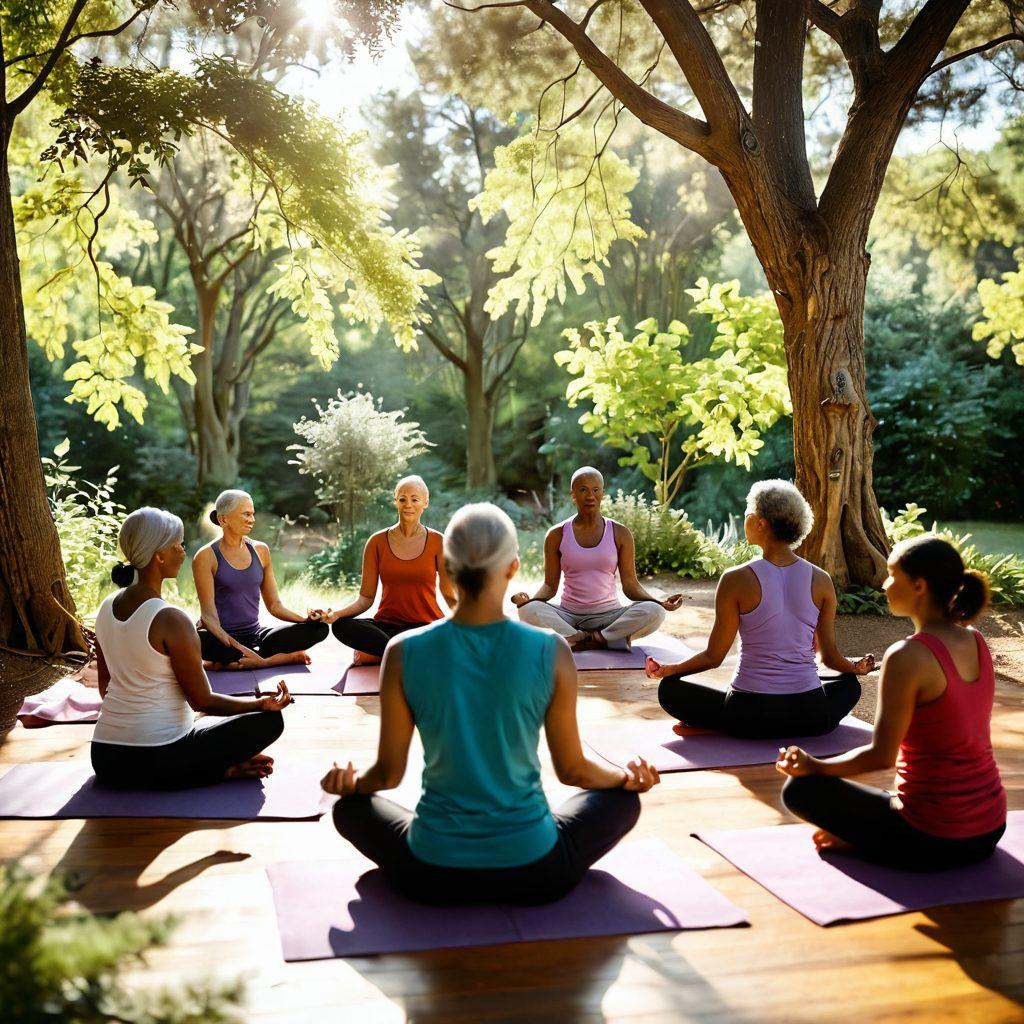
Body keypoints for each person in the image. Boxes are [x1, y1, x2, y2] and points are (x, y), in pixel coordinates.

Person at [322, 502, 660, 906]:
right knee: (621, 801)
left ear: (447, 568)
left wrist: (350, 785)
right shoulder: (551, 649)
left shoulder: (401, 650)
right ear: (513, 567)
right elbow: (573, 770)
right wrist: (625, 778)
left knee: (349, 810)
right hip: (537, 871)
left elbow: (387, 774)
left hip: (431, 873)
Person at [776, 535, 1006, 871]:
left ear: (919, 586)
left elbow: (881, 756)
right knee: (885, 800)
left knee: (800, 788)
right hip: (990, 826)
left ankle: (869, 842)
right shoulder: (976, 640)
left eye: (892, 575)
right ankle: (873, 836)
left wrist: (815, 766)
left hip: (933, 837)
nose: (884, 585)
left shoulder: (907, 656)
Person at [647, 480, 873, 739]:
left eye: (747, 513)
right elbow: (830, 658)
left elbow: (713, 657)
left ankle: (724, 723)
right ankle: (792, 723)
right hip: (811, 714)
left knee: (670, 690)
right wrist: (854, 668)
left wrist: (671, 670)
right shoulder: (821, 579)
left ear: (760, 523)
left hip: (748, 715)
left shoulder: (735, 579)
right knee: (849, 685)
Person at [92, 507, 292, 790]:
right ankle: (220, 771)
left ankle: (207, 769)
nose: (183, 551)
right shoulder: (171, 618)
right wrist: (261, 704)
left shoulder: (105, 608)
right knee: (269, 721)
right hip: (161, 756)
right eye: (178, 544)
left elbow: (105, 689)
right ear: (159, 556)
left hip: (106, 760)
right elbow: (203, 702)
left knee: (197, 728)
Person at [513, 467, 681, 651]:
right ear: (573, 495)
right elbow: (549, 586)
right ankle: (588, 637)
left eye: (595, 490)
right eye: (583, 490)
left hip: (609, 616)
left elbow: (631, 585)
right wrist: (531, 601)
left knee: (655, 612)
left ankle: (593, 638)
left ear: (602, 494)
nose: (590, 496)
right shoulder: (556, 534)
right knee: (526, 611)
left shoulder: (620, 533)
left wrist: (659, 603)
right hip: (569, 616)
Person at [326, 475, 457, 663]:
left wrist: (470, 624)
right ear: (395, 501)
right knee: (341, 626)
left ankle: (383, 656)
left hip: (424, 627)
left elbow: (449, 594)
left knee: (444, 638)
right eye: (402, 499)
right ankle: (404, 655)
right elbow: (365, 599)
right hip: (385, 627)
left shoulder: (438, 541)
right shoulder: (376, 542)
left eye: (415, 499)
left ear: (425, 503)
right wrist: (337, 614)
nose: (408, 505)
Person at [193, 489, 329, 669]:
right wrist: (239, 647)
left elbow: (274, 605)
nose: (252, 519)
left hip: (256, 636)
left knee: (320, 629)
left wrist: (305, 620)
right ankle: (268, 659)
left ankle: (230, 663)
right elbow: (209, 617)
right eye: (246, 514)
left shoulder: (261, 550)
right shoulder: (205, 556)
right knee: (193, 639)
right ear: (224, 519)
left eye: (253, 514)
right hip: (222, 639)